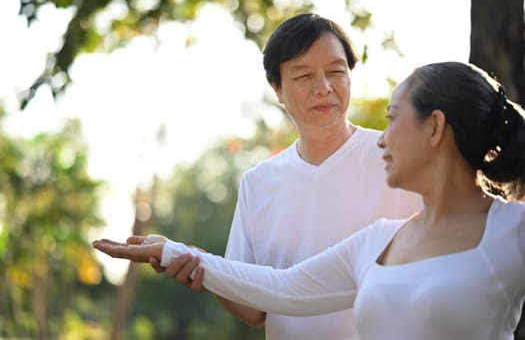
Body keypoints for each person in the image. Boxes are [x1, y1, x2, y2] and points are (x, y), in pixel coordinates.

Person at [93, 61, 525, 340]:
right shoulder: (377, 242)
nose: (383, 138)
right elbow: (281, 288)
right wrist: (173, 252)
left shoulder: (514, 230)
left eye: (393, 119)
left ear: (434, 127)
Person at [148, 13, 421, 340]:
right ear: (276, 88)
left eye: (336, 71)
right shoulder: (259, 183)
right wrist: (205, 270)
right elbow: (254, 310)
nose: (324, 88)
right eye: (304, 75)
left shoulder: (398, 159)